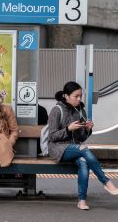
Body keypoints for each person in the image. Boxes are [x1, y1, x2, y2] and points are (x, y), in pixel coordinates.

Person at [48, 81, 118, 210]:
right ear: (66, 96)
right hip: (58, 148)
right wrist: (68, 129)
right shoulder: (56, 110)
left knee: (84, 162)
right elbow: (52, 137)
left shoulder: (80, 111)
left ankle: (82, 201)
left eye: (80, 96)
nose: (79, 99)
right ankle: (106, 181)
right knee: (83, 149)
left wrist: (88, 129)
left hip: (75, 147)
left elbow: (81, 138)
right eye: (76, 96)